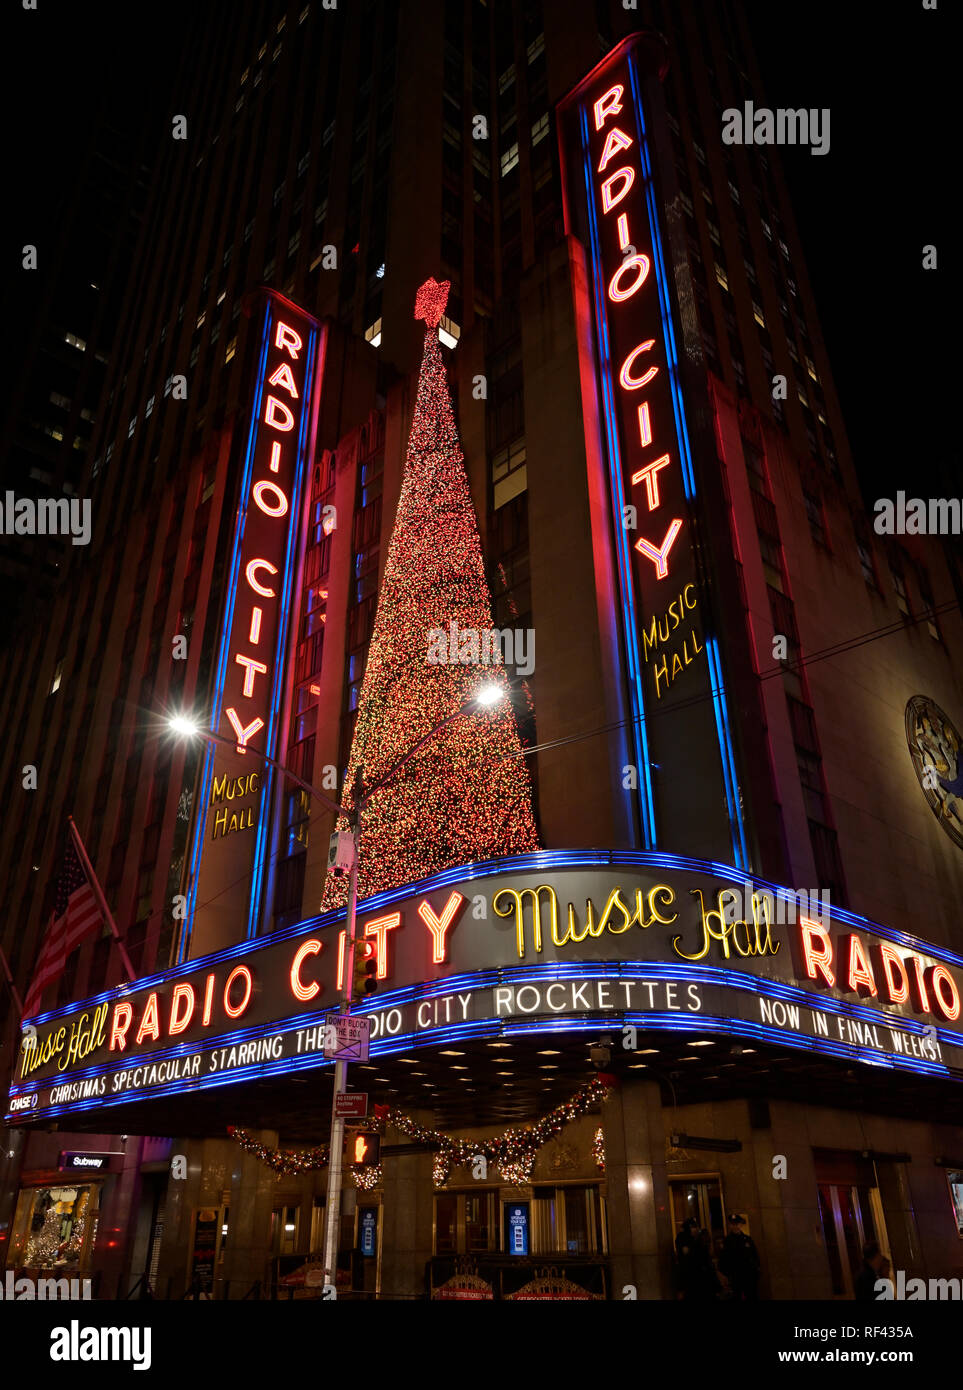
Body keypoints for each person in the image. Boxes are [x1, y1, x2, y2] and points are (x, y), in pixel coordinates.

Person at [719, 1213, 761, 1300]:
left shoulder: (747, 1239)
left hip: (749, 1277)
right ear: (730, 1225)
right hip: (735, 1277)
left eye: (737, 1224)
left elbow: (754, 1255)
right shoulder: (727, 1241)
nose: (735, 1226)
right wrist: (727, 1275)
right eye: (733, 1224)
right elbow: (723, 1259)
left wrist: (756, 1269)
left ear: (741, 1224)